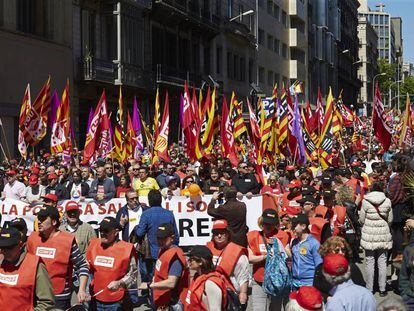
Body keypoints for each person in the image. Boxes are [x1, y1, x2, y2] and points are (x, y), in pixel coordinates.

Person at [26, 205, 89, 309]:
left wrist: (82, 289)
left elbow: (82, 265)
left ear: (54, 222)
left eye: (43, 219)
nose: (39, 221)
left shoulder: (67, 240)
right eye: (39, 218)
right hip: (36, 294)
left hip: (59, 296)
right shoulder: (32, 238)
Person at [87, 216, 138, 311]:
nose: (102, 233)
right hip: (96, 298)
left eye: (106, 231)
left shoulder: (126, 249)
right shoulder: (94, 244)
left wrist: (119, 283)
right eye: (100, 230)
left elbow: (133, 275)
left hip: (117, 301)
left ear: (116, 232)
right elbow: (87, 268)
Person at [0, 226, 55, 310]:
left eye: (9, 247)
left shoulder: (36, 265)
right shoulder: (1, 261)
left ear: (21, 245)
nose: (4, 251)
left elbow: (47, 302)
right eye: (2, 248)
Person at [139, 223, 189, 310]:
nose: (160, 241)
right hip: (162, 299)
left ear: (172, 238)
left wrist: (149, 285)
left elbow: (171, 283)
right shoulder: (163, 250)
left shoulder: (175, 256)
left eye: (164, 238)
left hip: (171, 303)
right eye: (158, 238)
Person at [247, 209, 290, 310]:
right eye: (266, 223)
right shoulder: (254, 236)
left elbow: (289, 256)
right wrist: (265, 257)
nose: (268, 226)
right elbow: (250, 258)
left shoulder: (283, 236)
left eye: (271, 224)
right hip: (259, 280)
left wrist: (280, 250)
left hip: (276, 281)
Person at [134, 189, 179, 281]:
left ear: (149, 201)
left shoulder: (146, 214)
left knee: (153, 280)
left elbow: (139, 233)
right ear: (161, 200)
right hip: (167, 252)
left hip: (152, 254)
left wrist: (136, 227)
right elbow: (176, 235)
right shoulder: (169, 214)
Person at [359, 181, 393, 296]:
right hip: (383, 233)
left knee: (369, 261)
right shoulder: (387, 201)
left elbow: (362, 219)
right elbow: (390, 219)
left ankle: (369, 288)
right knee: (382, 261)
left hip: (369, 234)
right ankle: (382, 289)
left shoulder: (365, 201)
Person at [206, 219, 249, 308]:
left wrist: (243, 293)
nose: (219, 235)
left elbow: (243, 276)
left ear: (228, 234)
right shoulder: (207, 249)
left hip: (229, 294)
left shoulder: (237, 251)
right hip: (209, 293)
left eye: (222, 233)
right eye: (216, 233)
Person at [184, 245, 227, 310]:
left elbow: (215, 309)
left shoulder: (210, 283)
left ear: (200, 262)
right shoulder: (197, 278)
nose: (188, 261)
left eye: (191, 259)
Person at [291, 214, 323, 288]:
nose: (292, 229)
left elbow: (319, 265)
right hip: (295, 283)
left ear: (303, 226)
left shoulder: (314, 243)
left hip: (309, 284)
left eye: (294, 226)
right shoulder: (294, 242)